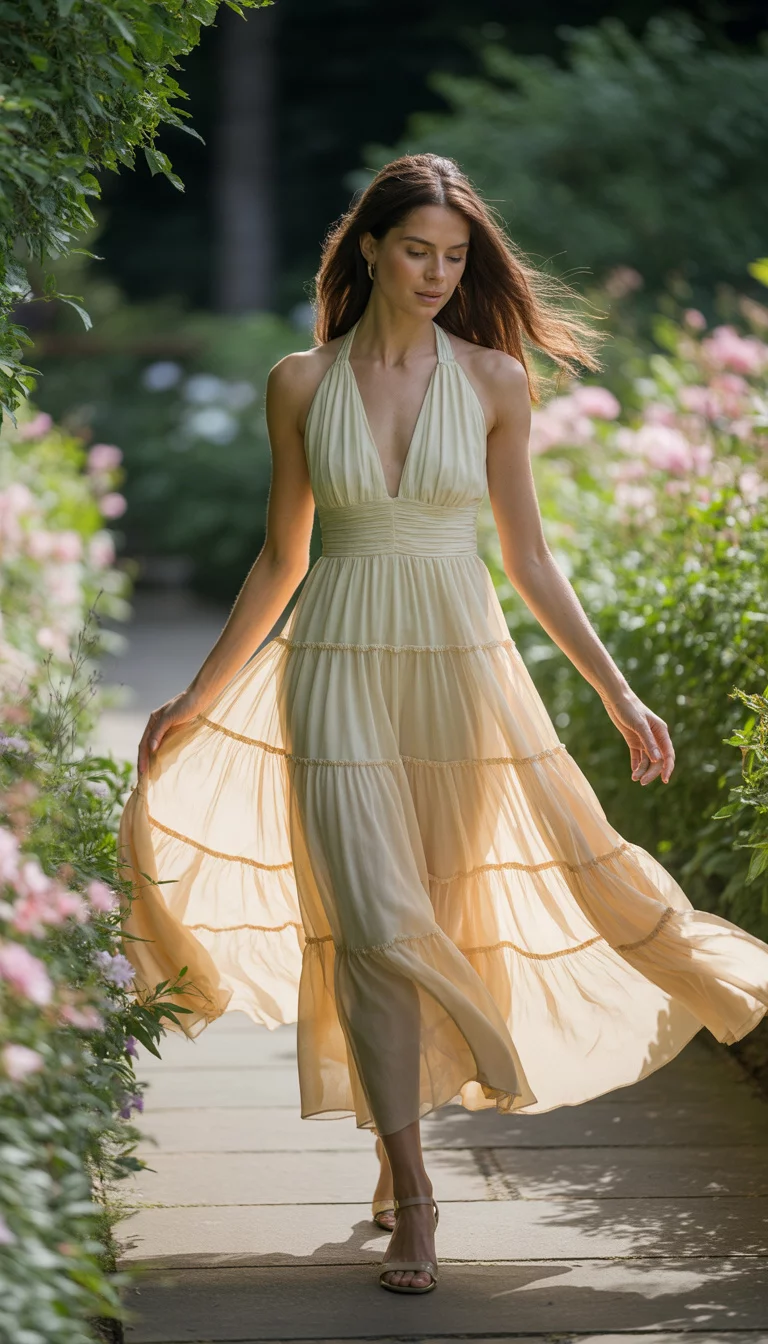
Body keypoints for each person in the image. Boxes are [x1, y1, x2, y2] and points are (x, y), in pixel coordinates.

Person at [117, 152, 768, 1296]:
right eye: (415, 250)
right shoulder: (300, 385)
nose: (434, 272)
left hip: (462, 673)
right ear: (368, 248)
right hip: (335, 670)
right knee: (372, 919)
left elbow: (528, 558)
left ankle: (394, 1135)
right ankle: (418, 1196)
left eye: (454, 255)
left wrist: (618, 690)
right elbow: (282, 558)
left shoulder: (499, 382)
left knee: (449, 915)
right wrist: (198, 698)